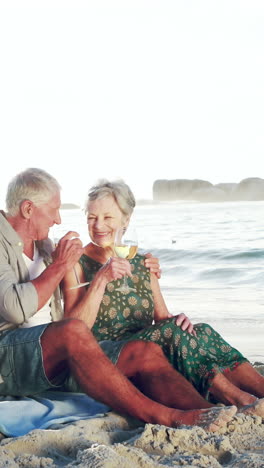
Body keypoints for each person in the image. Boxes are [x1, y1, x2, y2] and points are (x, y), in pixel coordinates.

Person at [0, 167, 239, 433]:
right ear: (28, 209)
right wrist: (61, 265)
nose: (58, 220)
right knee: (73, 331)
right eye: (54, 210)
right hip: (9, 356)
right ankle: (166, 416)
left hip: (52, 356)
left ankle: (203, 412)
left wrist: (146, 274)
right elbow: (13, 309)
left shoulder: (44, 245)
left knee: (143, 352)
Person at [62, 179, 264, 416]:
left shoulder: (143, 261)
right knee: (176, 332)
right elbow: (72, 330)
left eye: (108, 217)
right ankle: (238, 398)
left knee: (202, 330)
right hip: (105, 354)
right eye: (92, 217)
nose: (98, 225)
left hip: (148, 348)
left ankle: (258, 389)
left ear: (126, 220)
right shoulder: (77, 263)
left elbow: (162, 319)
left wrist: (179, 321)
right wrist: (101, 279)